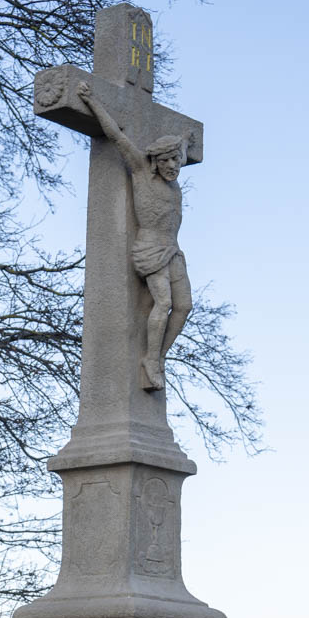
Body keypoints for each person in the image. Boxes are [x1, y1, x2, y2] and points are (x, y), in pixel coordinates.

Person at [77, 82, 192, 391]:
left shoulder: (174, 180)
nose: (173, 166)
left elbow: (183, 148)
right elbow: (116, 136)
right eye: (167, 160)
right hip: (150, 248)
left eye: (176, 160)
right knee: (163, 302)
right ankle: (151, 360)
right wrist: (91, 100)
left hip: (173, 250)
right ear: (155, 160)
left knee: (184, 307)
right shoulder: (141, 170)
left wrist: (185, 139)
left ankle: (158, 357)